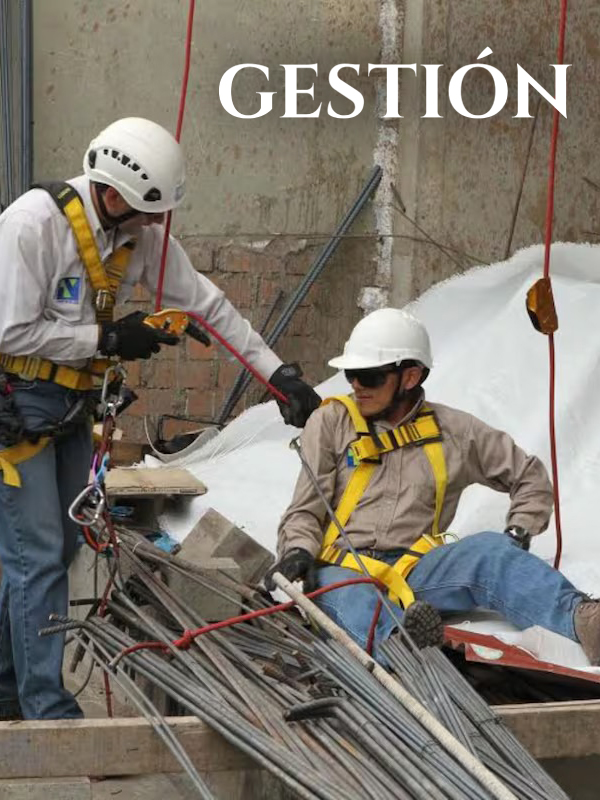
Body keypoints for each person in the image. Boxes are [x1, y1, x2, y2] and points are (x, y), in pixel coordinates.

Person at [0, 117, 320, 720]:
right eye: (149, 212)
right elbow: (10, 329)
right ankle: (46, 710)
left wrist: (276, 374)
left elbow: (205, 303)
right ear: (113, 195)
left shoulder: (135, 234)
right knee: (36, 553)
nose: (155, 225)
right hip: (15, 411)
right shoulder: (32, 225)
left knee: (56, 548)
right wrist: (107, 337)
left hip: (69, 408)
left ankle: (5, 685)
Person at [266, 307, 600, 666]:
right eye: (352, 375)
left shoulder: (455, 432)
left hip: (416, 570)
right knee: (354, 598)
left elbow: (529, 476)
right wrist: (297, 551)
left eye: (370, 376)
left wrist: (519, 531)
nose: (357, 386)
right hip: (339, 570)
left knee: (491, 552)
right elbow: (305, 510)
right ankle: (411, 657)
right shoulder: (331, 422)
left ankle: (585, 622)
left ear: (410, 377)